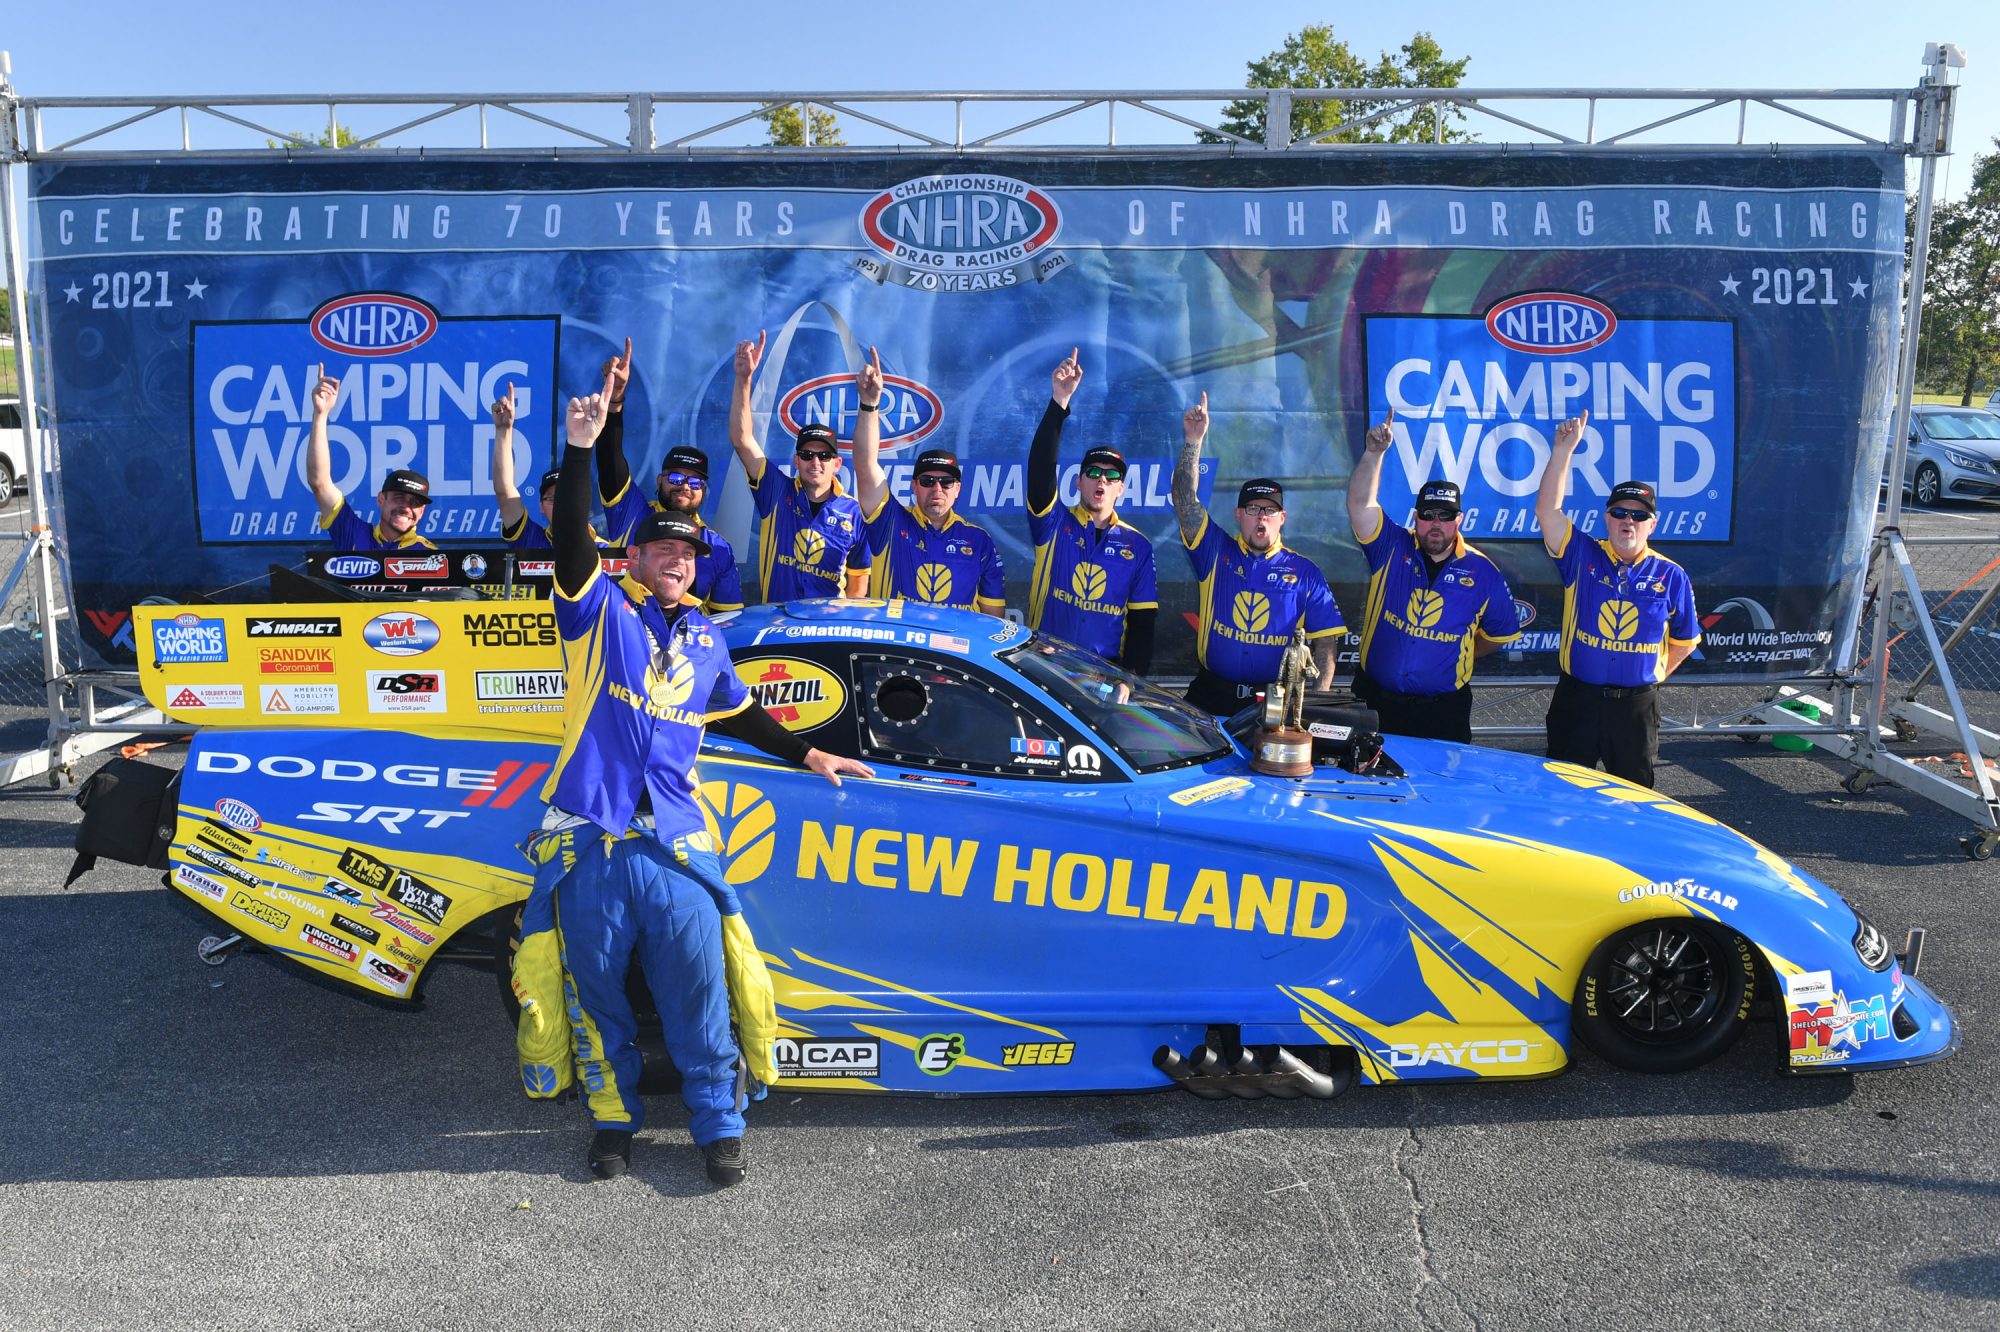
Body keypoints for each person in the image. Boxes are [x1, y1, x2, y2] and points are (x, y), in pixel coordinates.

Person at [513, 379, 873, 1187]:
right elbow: (571, 537)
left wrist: (810, 755)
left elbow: (742, 714)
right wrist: (580, 447)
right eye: (661, 551)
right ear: (634, 558)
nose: (676, 562)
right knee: (594, 1000)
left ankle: (718, 1124)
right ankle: (611, 1124)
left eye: (687, 554)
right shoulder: (597, 610)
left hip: (676, 845)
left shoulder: (709, 638)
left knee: (701, 992)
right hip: (591, 843)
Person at [1533, 409, 1702, 786]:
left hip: (1634, 709)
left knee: (1634, 799)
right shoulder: (1581, 555)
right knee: (1561, 790)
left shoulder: (1671, 574)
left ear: (1652, 525)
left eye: (1639, 516)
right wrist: (1563, 450)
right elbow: (1548, 511)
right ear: (1607, 519)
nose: (1629, 521)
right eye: (1620, 512)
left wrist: (1652, 675)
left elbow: (1686, 641)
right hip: (1578, 701)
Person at [1343, 408, 1523, 743]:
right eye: (1428, 515)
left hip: (1442, 712)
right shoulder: (1391, 547)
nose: (1436, 523)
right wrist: (1373, 454)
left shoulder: (1483, 571)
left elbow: (1500, 635)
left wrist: (1459, 649)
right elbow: (1360, 504)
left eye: (1445, 515)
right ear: (1416, 518)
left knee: (1442, 791)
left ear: (1460, 520)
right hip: (1376, 703)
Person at [1170, 391, 1343, 715]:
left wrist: (1316, 705)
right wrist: (1194, 441)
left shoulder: (1304, 571)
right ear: (1239, 514)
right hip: (1210, 692)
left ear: (1282, 518)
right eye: (1253, 508)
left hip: (1271, 700)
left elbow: (1326, 644)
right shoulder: (1214, 549)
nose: (1261, 516)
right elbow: (1184, 501)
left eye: (1269, 510)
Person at [1024, 348, 1157, 672]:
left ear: (1121, 488)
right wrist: (1059, 402)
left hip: (1104, 675)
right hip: (1047, 666)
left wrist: (1131, 681)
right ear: (1078, 482)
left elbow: (1143, 621)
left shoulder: (1137, 546)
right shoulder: (1053, 523)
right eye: (1093, 473)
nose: (1102, 480)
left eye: (1112, 475)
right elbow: (1041, 469)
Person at [849, 347, 1005, 615]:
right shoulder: (890, 522)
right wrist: (869, 403)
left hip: (951, 655)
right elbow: (865, 467)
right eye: (928, 480)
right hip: (895, 652)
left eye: (946, 483)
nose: (937, 488)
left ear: (958, 489)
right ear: (913, 485)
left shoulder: (978, 540)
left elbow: (994, 620)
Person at [592, 338, 744, 612]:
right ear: (659, 481)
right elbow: (609, 456)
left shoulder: (717, 548)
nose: (684, 486)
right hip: (625, 637)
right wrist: (615, 401)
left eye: (694, 481)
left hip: (684, 649)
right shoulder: (631, 512)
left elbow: (728, 620)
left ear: (704, 491)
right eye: (675, 479)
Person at [729, 330, 870, 602]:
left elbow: (858, 587)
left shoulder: (855, 513)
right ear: (796, 460)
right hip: (778, 624)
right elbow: (742, 439)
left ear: (837, 464)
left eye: (824, 456)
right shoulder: (776, 491)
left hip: (827, 631)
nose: (815, 462)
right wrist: (743, 379)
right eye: (806, 454)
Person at [304, 365, 435, 550]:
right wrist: (320, 414)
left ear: (421, 512)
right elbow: (319, 483)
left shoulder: (432, 556)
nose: (406, 507)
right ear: (381, 499)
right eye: (398, 497)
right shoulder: (353, 533)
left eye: (415, 503)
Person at [488, 382, 605, 550]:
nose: (560, 505)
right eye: (551, 499)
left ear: (583, 502)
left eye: (565, 497)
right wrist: (503, 430)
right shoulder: (529, 540)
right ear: (541, 507)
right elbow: (504, 492)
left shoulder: (605, 551)